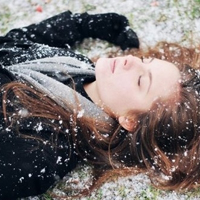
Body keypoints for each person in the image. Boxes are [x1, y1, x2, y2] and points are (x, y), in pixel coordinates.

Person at [0, 10, 200, 199]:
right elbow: (16, 42)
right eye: (145, 61)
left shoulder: (40, 153)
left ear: (130, 120)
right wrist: (85, 25)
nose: (130, 60)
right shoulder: (77, 64)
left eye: (140, 81)